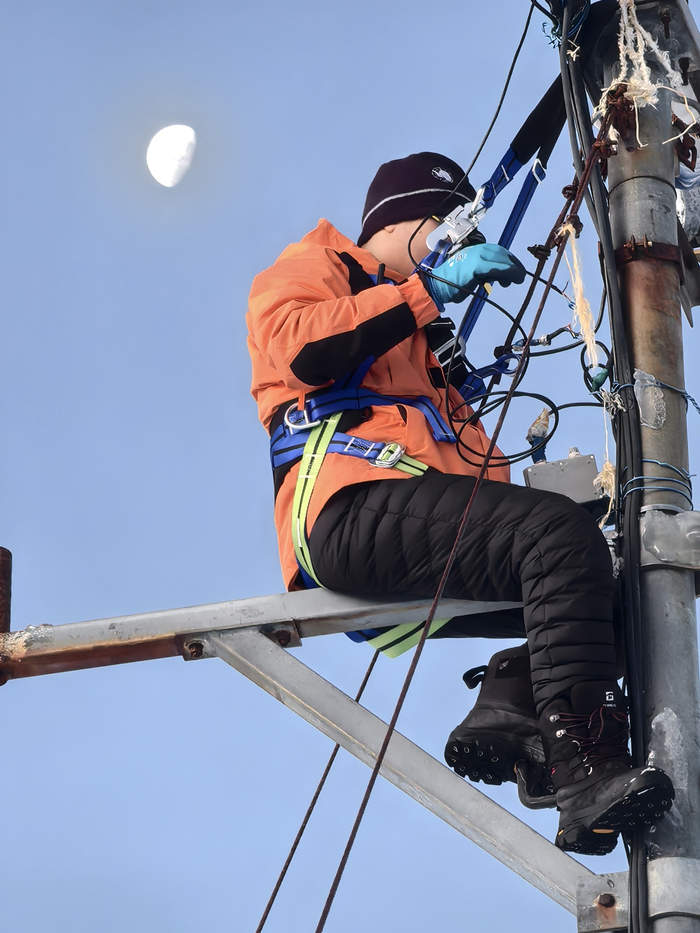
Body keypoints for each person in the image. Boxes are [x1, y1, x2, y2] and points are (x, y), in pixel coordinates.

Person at [247, 151, 674, 855]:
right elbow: (303, 350)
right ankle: (588, 770)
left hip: (411, 519)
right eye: (446, 227)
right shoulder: (319, 265)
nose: (455, 244)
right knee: (558, 544)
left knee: (618, 596)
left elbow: (477, 478)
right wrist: (428, 291)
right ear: (405, 221)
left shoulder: (422, 350)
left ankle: (513, 709)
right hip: (349, 511)